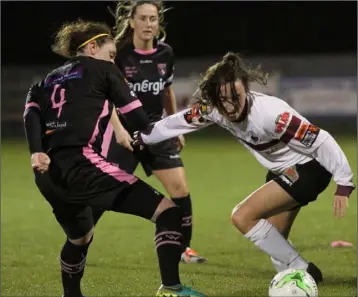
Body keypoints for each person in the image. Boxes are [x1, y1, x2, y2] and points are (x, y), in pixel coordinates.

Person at [132, 52, 355, 283]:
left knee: (242, 216)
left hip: (309, 168)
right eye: (223, 99)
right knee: (276, 244)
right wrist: (144, 137)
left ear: (245, 90)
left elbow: (321, 140)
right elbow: (178, 121)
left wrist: (344, 182)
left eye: (236, 97)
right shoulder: (213, 109)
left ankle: (303, 269)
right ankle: (299, 281)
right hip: (282, 171)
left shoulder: (272, 115)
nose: (230, 106)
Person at [23, 19, 206, 297]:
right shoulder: (105, 70)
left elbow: (31, 113)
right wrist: (185, 121)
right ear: (92, 46)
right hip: (83, 166)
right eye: (110, 54)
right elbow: (139, 119)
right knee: (169, 212)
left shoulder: (47, 79)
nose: (113, 60)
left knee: (80, 237)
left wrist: (36, 150)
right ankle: (171, 288)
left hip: (46, 174)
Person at [104, 0, 206, 264]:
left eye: (153, 19)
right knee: (101, 192)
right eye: (143, 18)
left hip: (156, 132)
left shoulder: (165, 54)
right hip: (124, 134)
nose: (148, 24)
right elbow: (107, 97)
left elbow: (167, 91)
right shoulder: (120, 54)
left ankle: (184, 248)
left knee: (180, 189)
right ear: (131, 22)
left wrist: (176, 128)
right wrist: (117, 130)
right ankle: (80, 239)